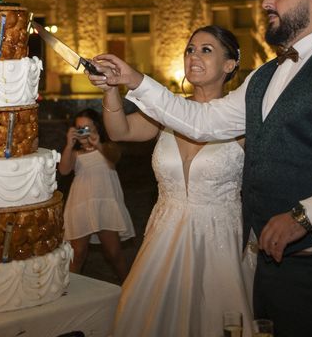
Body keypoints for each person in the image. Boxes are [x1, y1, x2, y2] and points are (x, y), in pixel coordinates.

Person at [88, 0, 312, 337]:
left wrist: (305, 216)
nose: (266, 3)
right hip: (271, 268)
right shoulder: (264, 77)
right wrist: (136, 81)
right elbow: (201, 122)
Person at [92, 25, 255, 337]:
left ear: (230, 64)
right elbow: (120, 131)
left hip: (220, 239)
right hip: (164, 237)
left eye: (206, 50)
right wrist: (111, 89)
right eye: (190, 49)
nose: (193, 56)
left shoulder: (242, 117)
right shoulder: (168, 110)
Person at [58, 108, 135, 282]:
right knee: (77, 254)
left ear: (97, 127)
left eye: (87, 127)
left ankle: (129, 289)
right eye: (79, 128)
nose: (83, 132)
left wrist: (98, 143)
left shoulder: (107, 147)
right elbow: (64, 170)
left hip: (105, 203)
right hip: (81, 203)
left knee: (114, 253)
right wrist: (69, 145)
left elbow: (114, 158)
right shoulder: (76, 153)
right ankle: (70, 292)